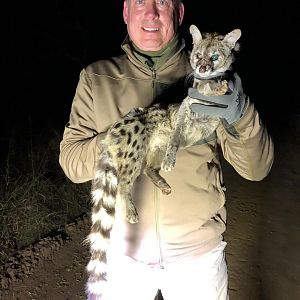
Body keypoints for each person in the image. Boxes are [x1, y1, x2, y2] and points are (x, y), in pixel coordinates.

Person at [59, 0, 274, 299]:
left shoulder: (209, 77)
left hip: (197, 259)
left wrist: (242, 113)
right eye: (139, 3)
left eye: (161, 2)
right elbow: (72, 163)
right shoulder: (97, 78)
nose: (150, 12)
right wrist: (129, 135)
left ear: (179, 13)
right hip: (123, 256)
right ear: (125, 12)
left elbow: (256, 169)